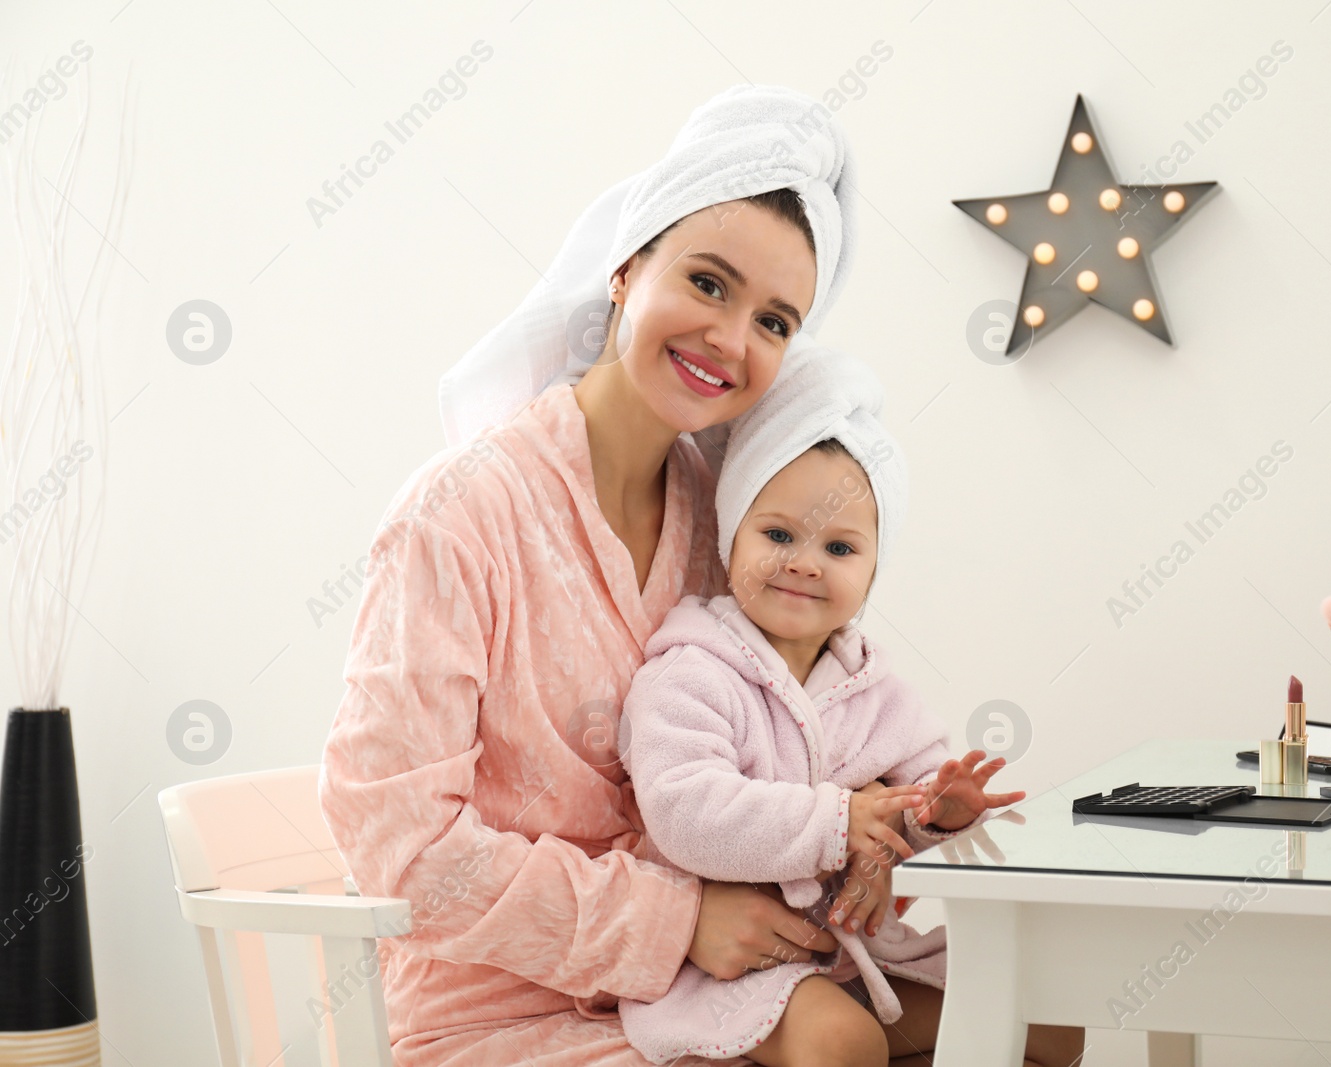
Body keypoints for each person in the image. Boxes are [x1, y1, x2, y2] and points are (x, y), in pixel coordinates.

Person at [318, 85, 863, 1067]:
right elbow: (397, 841)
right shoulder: (460, 513)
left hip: (704, 991)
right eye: (707, 283)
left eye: (775, 320)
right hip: (494, 1017)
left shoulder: (729, 525)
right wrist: (672, 919)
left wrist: (877, 824)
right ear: (624, 268)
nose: (732, 339)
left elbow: (798, 726)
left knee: (1027, 1015)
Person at [615, 343, 1085, 1067]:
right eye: (777, 534)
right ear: (731, 535)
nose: (804, 560)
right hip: (735, 969)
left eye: (839, 547)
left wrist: (942, 813)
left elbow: (913, 799)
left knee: (1045, 1016)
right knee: (844, 1039)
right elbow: (685, 813)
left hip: (856, 956)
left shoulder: (876, 688)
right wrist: (841, 821)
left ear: (872, 572)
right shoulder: (690, 675)